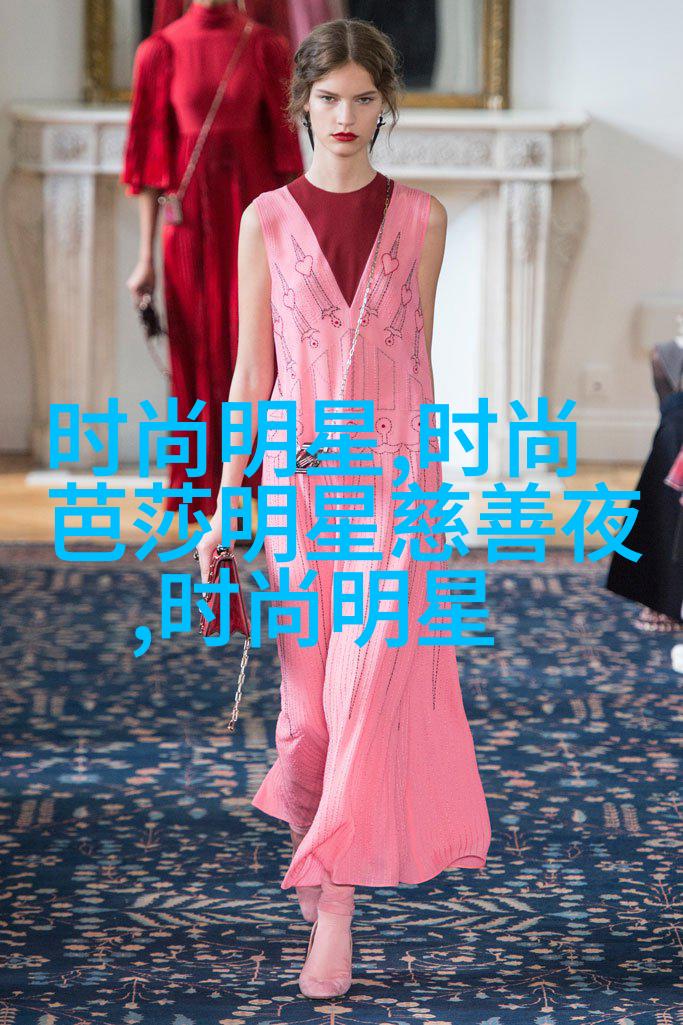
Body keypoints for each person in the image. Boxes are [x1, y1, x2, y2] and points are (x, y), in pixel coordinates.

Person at [196, 17, 492, 999]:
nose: (346, 116)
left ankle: (334, 905)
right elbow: (251, 376)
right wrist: (225, 503)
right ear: (303, 104)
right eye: (329, 98)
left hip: (396, 490)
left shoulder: (423, 220)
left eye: (364, 99)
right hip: (296, 492)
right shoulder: (266, 220)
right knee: (308, 717)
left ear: (384, 106)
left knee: (367, 693)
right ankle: (315, 841)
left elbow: (417, 363)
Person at [122, 0, 304, 519]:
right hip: (188, 229)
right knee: (195, 353)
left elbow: (288, 160)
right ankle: (201, 494)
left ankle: (259, 487)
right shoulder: (158, 52)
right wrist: (144, 258)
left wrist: (295, 247)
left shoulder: (267, 47)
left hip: (254, 223)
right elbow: (147, 164)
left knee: (255, 351)